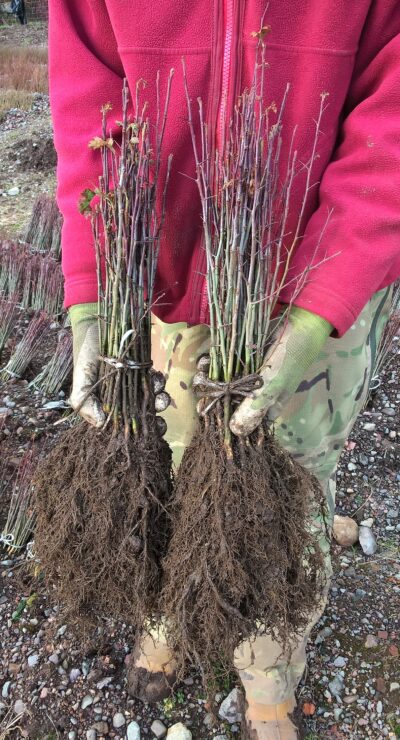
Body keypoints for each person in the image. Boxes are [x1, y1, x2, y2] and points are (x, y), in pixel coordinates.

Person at [49, 2, 400, 737]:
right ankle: (164, 610)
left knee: (287, 481)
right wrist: (92, 290)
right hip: (163, 268)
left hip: (324, 265)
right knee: (162, 459)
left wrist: (319, 304)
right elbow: (88, 88)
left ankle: (269, 667)